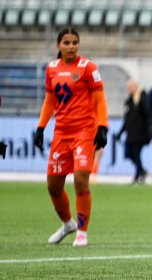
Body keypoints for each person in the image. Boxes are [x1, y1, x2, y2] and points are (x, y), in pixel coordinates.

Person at [34, 28, 108, 247]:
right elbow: (50, 100)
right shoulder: (52, 68)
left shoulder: (88, 68)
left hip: (84, 131)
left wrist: (102, 127)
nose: (71, 46)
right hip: (61, 133)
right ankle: (68, 224)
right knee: (53, 186)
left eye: (75, 42)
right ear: (58, 45)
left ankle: (82, 232)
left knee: (80, 180)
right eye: (66, 42)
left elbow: (100, 99)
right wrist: (40, 128)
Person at [117, 79, 151, 184]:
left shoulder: (143, 98)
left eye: (131, 86)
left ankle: (137, 176)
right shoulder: (128, 101)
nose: (129, 89)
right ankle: (142, 171)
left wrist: (148, 132)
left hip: (140, 133)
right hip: (130, 134)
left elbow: (148, 115)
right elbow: (126, 120)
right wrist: (120, 133)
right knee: (128, 153)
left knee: (136, 154)